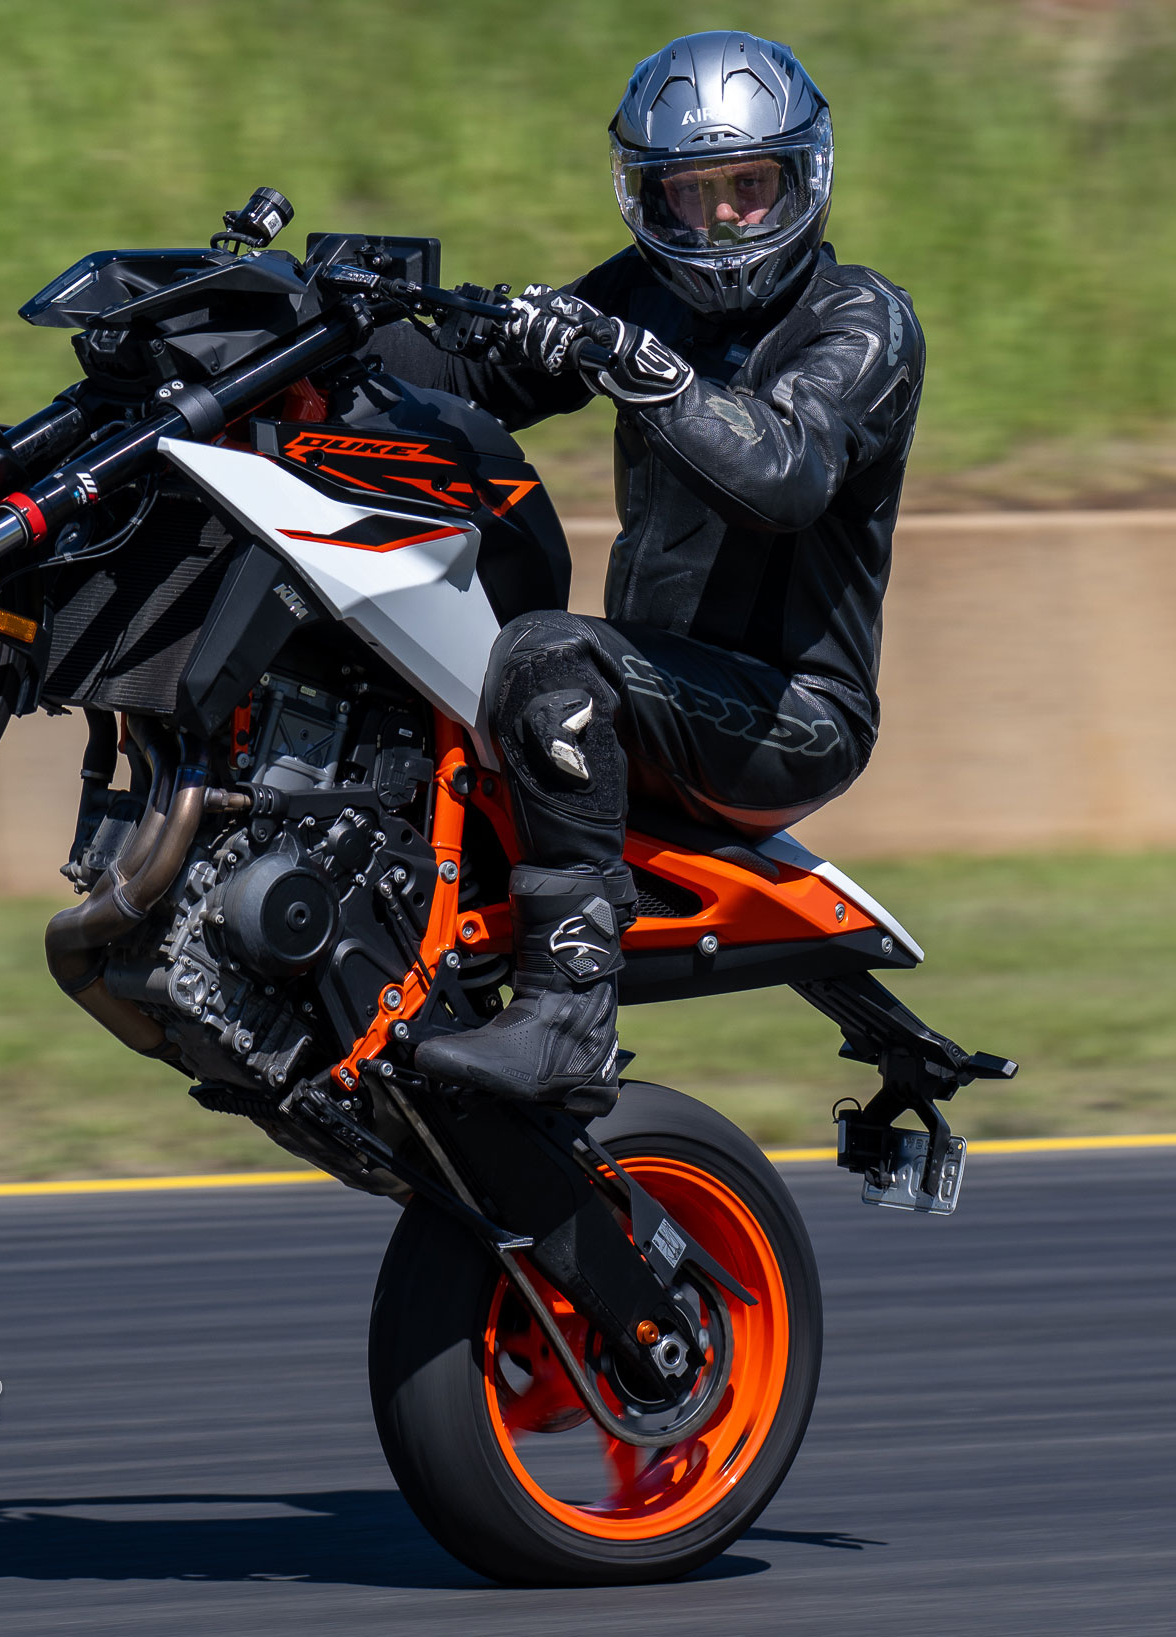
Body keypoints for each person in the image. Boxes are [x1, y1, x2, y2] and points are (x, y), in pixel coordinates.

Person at [371, 30, 925, 1108]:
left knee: (547, 653)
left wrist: (638, 367)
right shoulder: (644, 293)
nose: (718, 221)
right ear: (647, 197)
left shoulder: (863, 321)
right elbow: (471, 375)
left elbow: (786, 471)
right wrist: (309, 315)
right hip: (657, 687)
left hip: (790, 718)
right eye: (688, 194)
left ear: (802, 180)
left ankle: (569, 1017)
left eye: (746, 189)